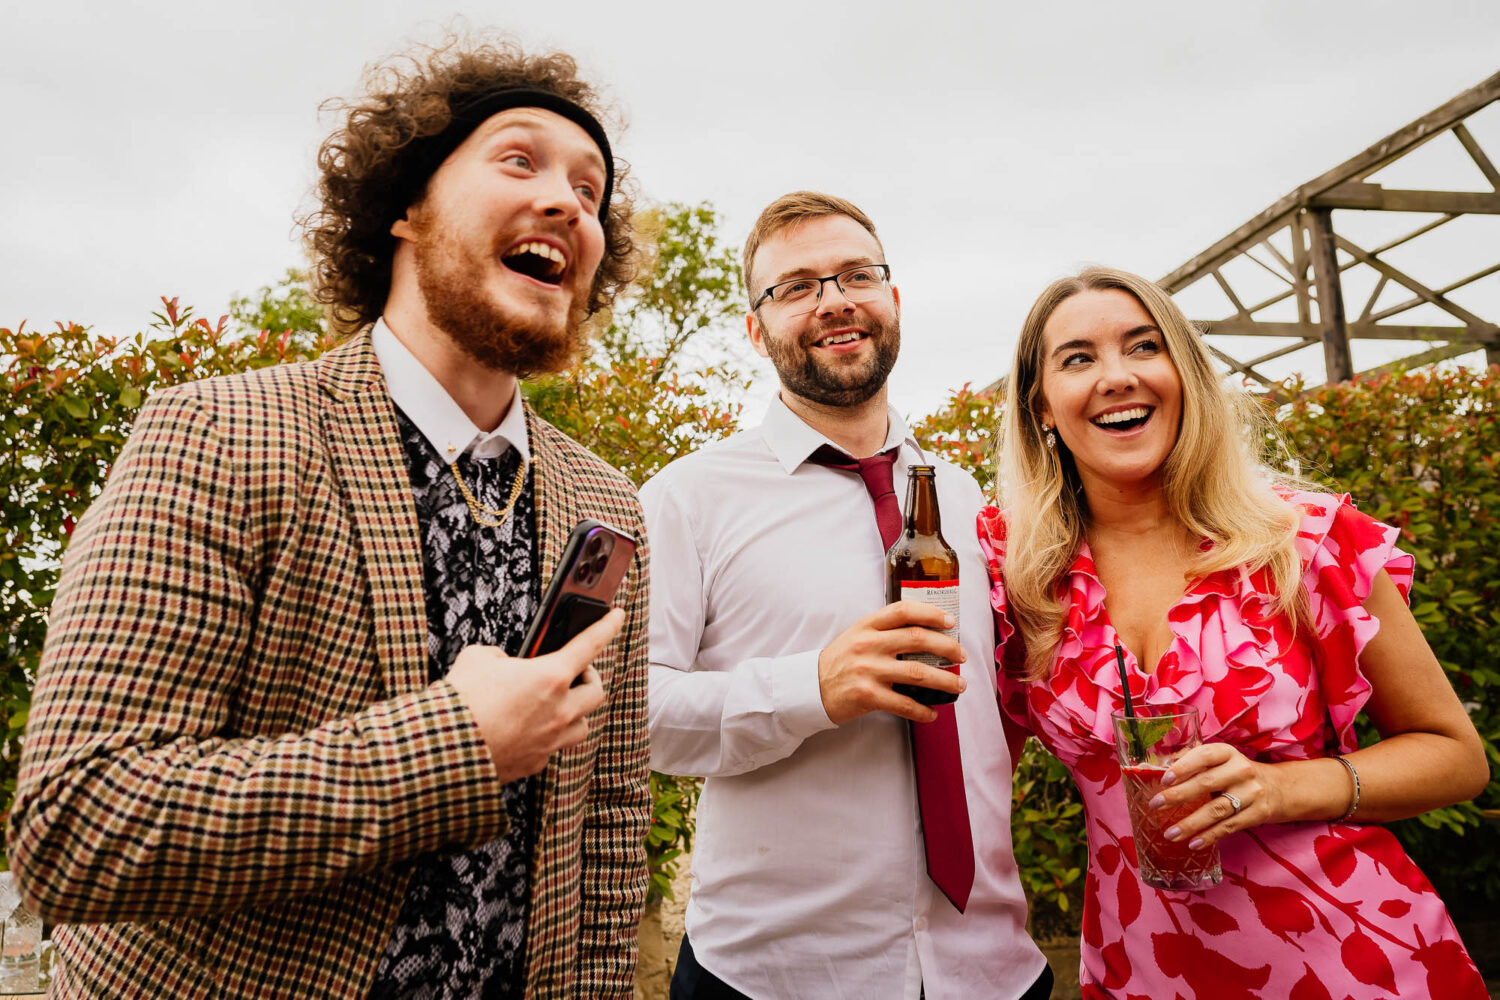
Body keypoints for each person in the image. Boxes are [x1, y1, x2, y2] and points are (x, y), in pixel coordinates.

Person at [8, 35, 651, 999]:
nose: (568, 201)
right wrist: (455, 746)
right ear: (404, 207)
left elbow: (607, 830)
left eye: (591, 190)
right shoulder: (220, 435)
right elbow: (77, 827)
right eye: (520, 159)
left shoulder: (606, 502)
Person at [979, 265, 1489, 998]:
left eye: (1144, 346)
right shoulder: (1017, 576)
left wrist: (1282, 788)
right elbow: (962, 770)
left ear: (1186, 375)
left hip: (1359, 962)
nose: (1117, 376)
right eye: (1078, 359)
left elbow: (1456, 757)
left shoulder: (1305, 542)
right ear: (1042, 407)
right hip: (1143, 973)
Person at [644, 191, 1050, 1000]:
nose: (834, 300)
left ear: (892, 300)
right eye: (796, 286)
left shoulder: (969, 499)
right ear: (755, 329)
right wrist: (810, 688)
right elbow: (633, 715)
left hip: (994, 969)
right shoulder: (685, 499)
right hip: (774, 976)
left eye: (856, 275)